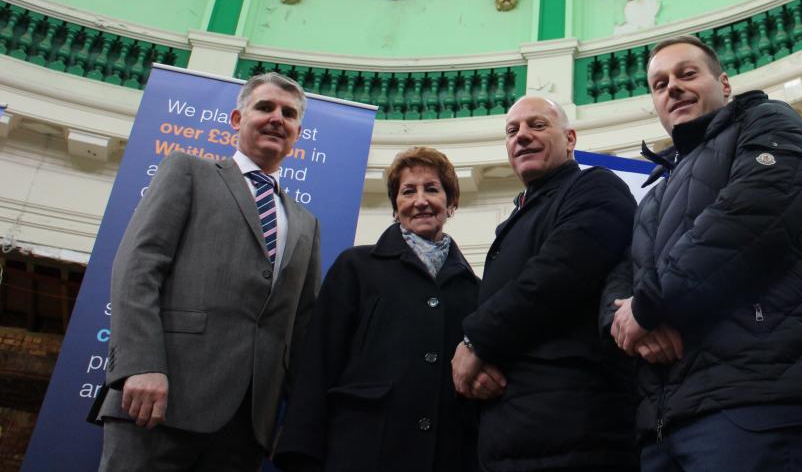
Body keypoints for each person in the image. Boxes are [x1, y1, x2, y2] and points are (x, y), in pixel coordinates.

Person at [605, 36, 802, 471]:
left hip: (756, 403)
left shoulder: (768, 122)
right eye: (659, 84)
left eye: (687, 74)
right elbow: (620, 277)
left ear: (725, 83)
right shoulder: (654, 196)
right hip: (666, 423)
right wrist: (631, 325)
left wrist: (649, 305)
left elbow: (749, 220)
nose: (672, 87)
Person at [97, 72, 322, 472]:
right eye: (265, 107)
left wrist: (298, 418)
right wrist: (141, 364)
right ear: (237, 119)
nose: (277, 118)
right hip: (162, 400)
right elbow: (137, 267)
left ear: (297, 133)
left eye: (288, 114)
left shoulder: (306, 223)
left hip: (247, 426)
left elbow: (303, 326)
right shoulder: (188, 171)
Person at [452, 95, 639, 472]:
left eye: (537, 125)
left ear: (570, 139)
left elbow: (557, 276)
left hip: (575, 429)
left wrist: (475, 342)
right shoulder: (517, 219)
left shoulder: (596, 187)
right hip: (510, 432)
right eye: (512, 130)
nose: (522, 136)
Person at [274, 146, 480, 472]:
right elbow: (318, 361)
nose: (420, 200)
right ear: (396, 207)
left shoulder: (473, 289)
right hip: (361, 450)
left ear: (451, 202)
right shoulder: (355, 267)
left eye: (432, 189)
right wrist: (302, 449)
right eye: (408, 191)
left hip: (445, 454)